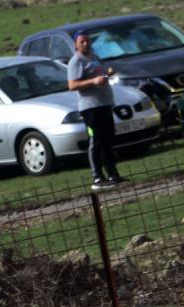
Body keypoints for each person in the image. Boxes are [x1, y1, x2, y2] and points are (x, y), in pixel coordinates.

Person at [66, 30, 124, 190]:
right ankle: (97, 178)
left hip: (104, 103)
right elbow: (72, 85)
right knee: (97, 140)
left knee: (108, 139)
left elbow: (100, 76)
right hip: (90, 107)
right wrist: (93, 81)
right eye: (81, 42)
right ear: (76, 45)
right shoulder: (76, 61)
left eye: (87, 41)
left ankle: (113, 174)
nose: (85, 44)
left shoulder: (95, 57)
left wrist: (107, 75)